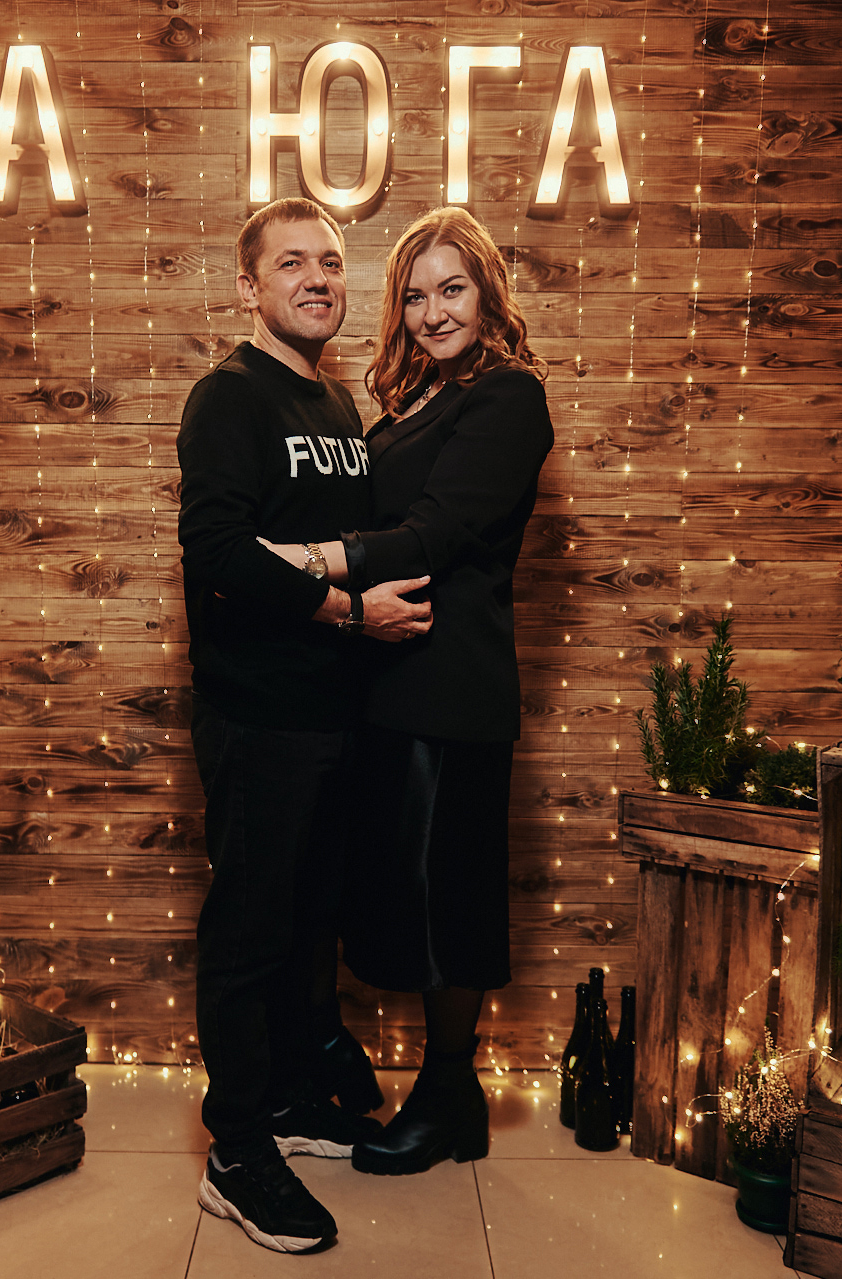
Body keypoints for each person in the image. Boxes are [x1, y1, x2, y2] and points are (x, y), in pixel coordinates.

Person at [260, 206, 553, 1177]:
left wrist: (304, 560)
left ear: (487, 292)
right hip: (386, 681)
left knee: (448, 897)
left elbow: (434, 534)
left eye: (452, 289)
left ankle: (449, 1093)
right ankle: (387, 1075)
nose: (433, 312)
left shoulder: (508, 398)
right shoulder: (417, 400)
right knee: (399, 894)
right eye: (416, 295)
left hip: (452, 687)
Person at [176, 197, 434, 1253]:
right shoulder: (228, 397)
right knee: (248, 932)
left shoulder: (333, 404)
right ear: (250, 287)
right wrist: (345, 611)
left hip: (334, 714)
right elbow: (217, 556)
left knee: (305, 924)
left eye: (329, 262)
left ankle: (285, 1099)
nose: (318, 279)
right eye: (291, 264)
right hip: (258, 712)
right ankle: (236, 1152)